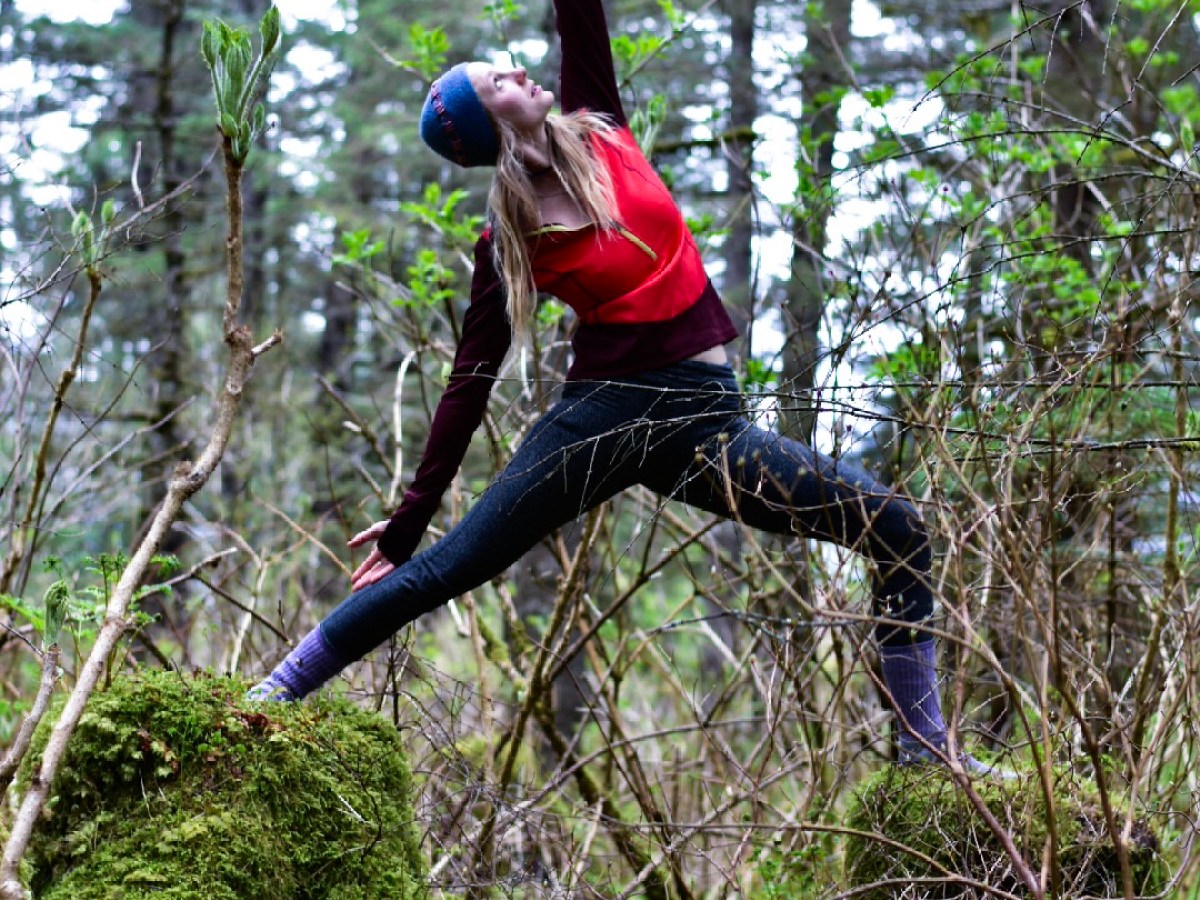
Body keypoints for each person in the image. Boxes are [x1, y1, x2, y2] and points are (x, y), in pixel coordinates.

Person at [249, 0, 1006, 777]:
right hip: (604, 420)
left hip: (710, 425)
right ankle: (267, 700)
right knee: (447, 568)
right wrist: (409, 518)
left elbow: (579, 12)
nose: (516, 69)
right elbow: (471, 378)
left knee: (895, 527)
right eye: (494, 80)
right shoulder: (509, 238)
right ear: (491, 124)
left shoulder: (600, 128)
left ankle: (924, 753)